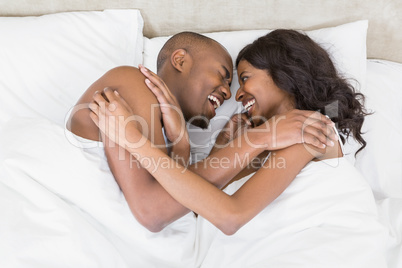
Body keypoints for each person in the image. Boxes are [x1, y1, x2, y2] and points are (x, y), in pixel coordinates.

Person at [68, 31, 336, 232]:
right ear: (180, 60)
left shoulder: (311, 130)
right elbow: (176, 207)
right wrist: (192, 145)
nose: (233, 94)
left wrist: (180, 144)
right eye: (227, 77)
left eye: (242, 79)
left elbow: (183, 210)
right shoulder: (133, 80)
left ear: (285, 75)